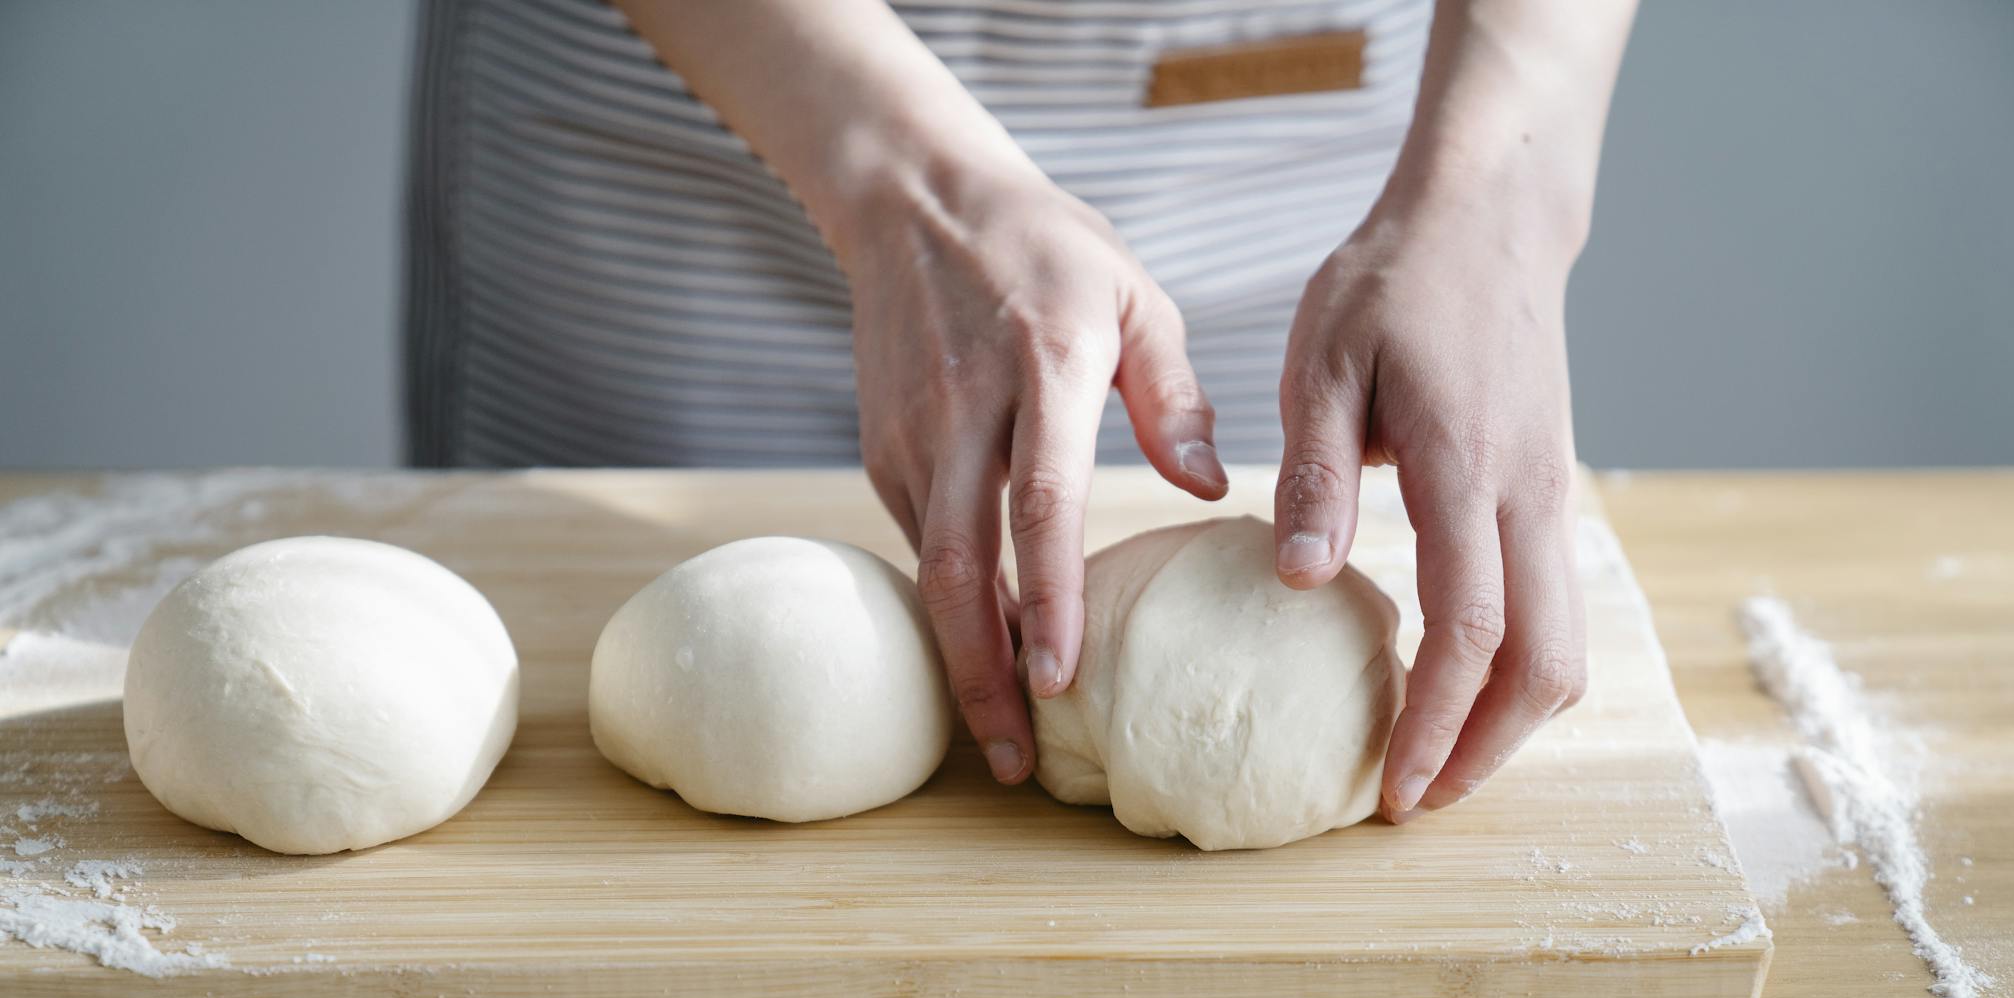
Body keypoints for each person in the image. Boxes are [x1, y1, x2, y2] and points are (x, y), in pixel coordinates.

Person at [408, 0, 1635, 820]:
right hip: (701, 155)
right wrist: (903, 183)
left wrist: (1496, 199)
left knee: (1287, 548)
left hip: (1324, 151)